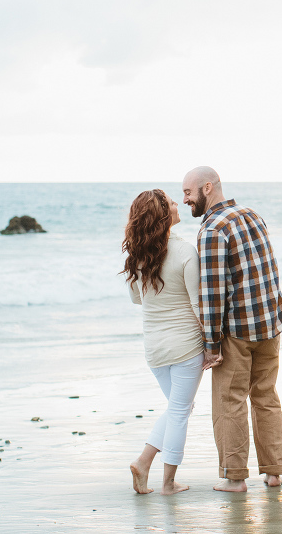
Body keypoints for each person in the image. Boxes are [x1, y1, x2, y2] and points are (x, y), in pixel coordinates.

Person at [182, 166, 282, 492]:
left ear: (207, 188)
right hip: (270, 324)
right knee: (266, 396)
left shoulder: (212, 229)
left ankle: (235, 478)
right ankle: (274, 473)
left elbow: (214, 292)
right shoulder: (251, 214)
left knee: (229, 402)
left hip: (238, 333)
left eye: (188, 192)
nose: (184, 199)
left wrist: (211, 343)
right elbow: (266, 269)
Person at [122, 189, 207, 495]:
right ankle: (166, 482)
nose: (177, 204)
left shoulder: (136, 255)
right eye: (171, 203)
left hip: (155, 349)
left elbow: (136, 299)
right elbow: (199, 305)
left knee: (177, 408)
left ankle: (144, 463)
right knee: (180, 412)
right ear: (162, 214)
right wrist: (212, 344)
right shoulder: (185, 251)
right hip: (186, 346)